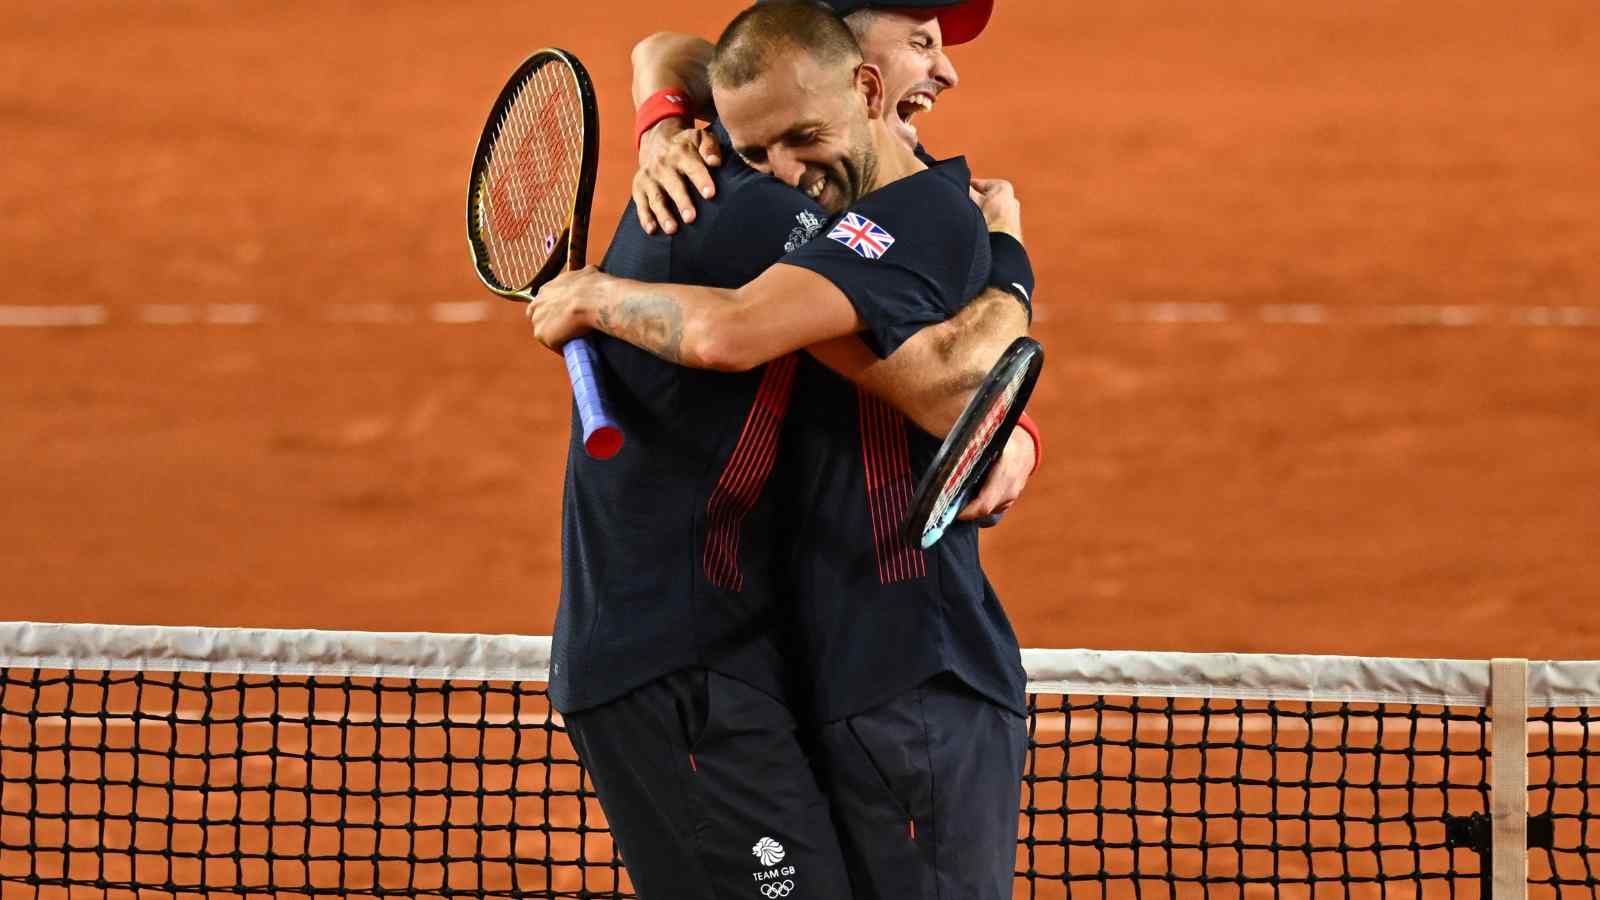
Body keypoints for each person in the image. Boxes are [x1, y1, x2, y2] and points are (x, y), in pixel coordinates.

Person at [529, 3, 1035, 896]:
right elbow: (937, 381)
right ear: (854, 64)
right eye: (920, 38)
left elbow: (674, 51)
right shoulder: (805, 207)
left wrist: (666, 119)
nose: (947, 71)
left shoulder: (764, 170)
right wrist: (1008, 258)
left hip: (746, 659)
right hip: (707, 659)